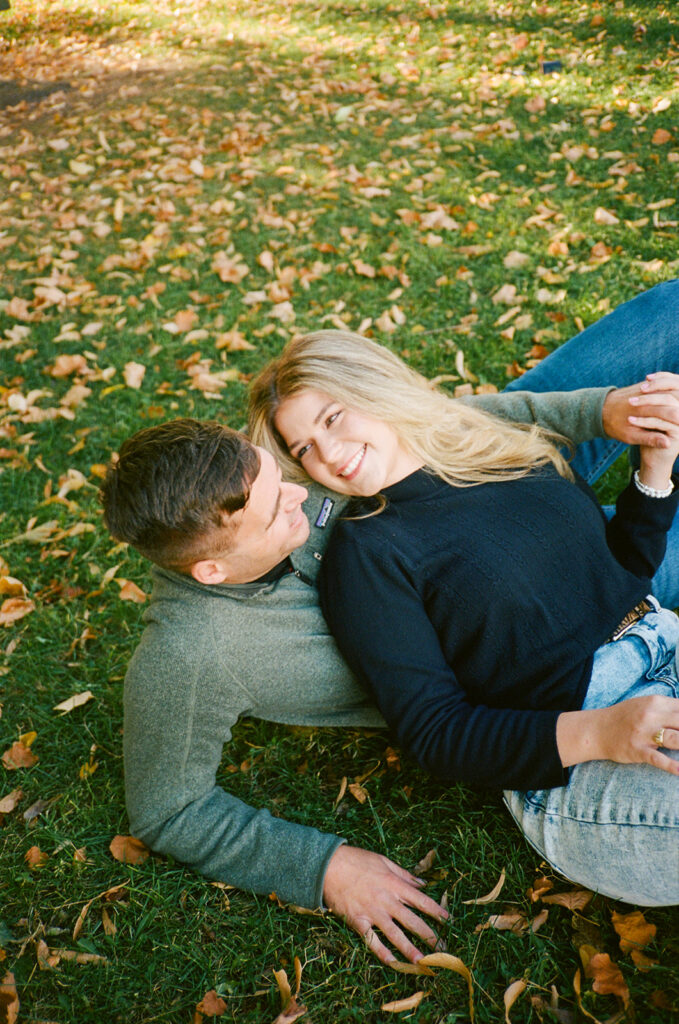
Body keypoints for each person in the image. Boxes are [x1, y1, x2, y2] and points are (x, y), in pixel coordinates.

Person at [103, 281, 679, 966]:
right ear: (211, 571)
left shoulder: (315, 470)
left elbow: (442, 427)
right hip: (540, 685)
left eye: (281, 468)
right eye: (280, 499)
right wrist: (326, 868)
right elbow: (169, 809)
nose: (305, 490)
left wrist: (603, 416)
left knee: (663, 319)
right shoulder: (194, 652)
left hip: (527, 529)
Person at [248, 322, 679, 919]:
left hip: (665, 645)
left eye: (331, 419)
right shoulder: (368, 552)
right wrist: (606, 732)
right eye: (302, 449)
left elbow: (626, 572)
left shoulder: (498, 446)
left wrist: (654, 472)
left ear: (374, 387)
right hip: (578, 749)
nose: (328, 454)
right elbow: (435, 732)